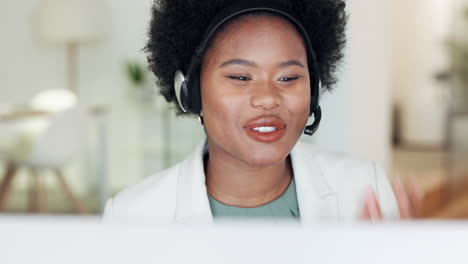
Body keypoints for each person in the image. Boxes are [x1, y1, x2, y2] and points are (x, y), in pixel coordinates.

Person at [103, 0, 422, 224]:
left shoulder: (365, 189)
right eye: (240, 77)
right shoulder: (133, 215)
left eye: (288, 78)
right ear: (191, 92)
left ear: (313, 90)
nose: (268, 99)